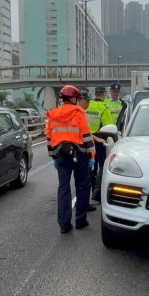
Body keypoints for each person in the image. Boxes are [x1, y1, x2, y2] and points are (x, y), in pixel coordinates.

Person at [46, 85, 96, 233]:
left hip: (60, 155)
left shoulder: (53, 115)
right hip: (79, 154)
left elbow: (50, 138)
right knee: (83, 186)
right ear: (73, 98)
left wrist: (53, 157)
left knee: (63, 188)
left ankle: (64, 225)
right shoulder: (79, 113)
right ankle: (80, 220)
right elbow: (86, 137)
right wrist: (92, 156)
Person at [87, 86, 114, 202]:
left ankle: (92, 189)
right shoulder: (104, 108)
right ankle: (97, 192)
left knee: (92, 166)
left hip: (86, 139)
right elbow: (109, 127)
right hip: (99, 140)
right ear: (103, 94)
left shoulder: (88, 105)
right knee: (103, 166)